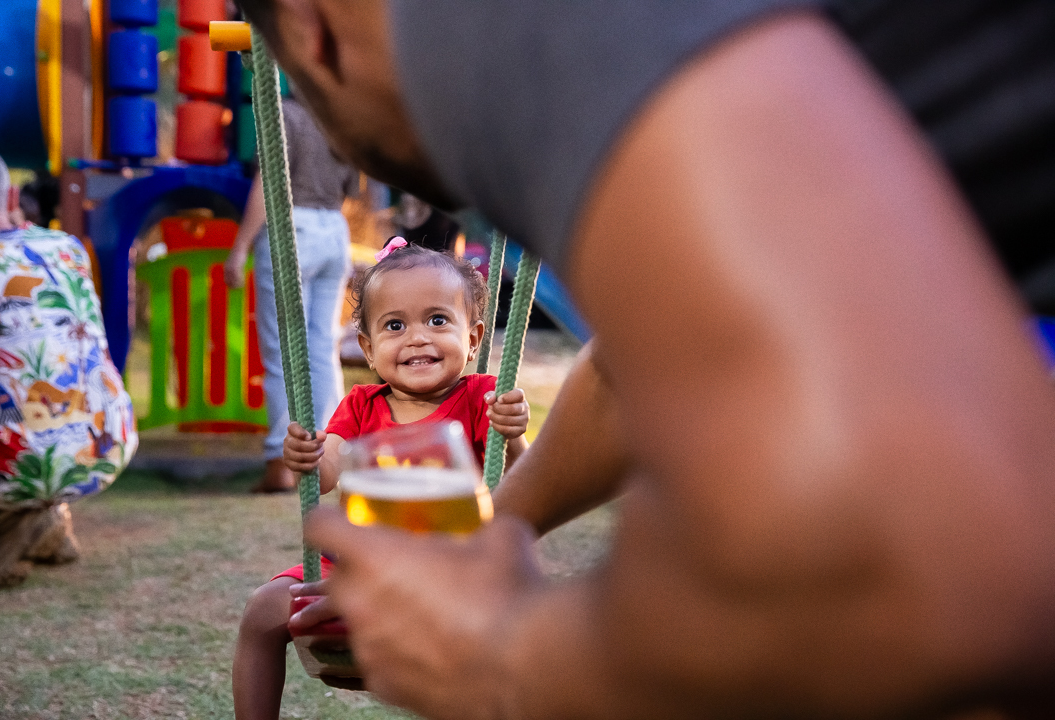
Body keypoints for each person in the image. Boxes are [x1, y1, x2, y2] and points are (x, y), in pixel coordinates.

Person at [237, 1, 1055, 718]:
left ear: (311, 31)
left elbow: (878, 561)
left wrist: (502, 663)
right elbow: (644, 363)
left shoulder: (483, 22)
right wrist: (486, 540)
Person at [232, 241, 531, 720]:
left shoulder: (484, 398)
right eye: (395, 325)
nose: (416, 338)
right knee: (263, 611)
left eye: (437, 320)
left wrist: (512, 436)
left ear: (473, 338)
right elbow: (327, 471)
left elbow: (526, 487)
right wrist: (306, 455)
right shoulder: (361, 406)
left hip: (453, 575)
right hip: (363, 570)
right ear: (368, 349)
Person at [0, 141, 137, 590]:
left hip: (19, 458)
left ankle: (15, 524)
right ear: (10, 198)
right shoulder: (66, 248)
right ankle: (48, 522)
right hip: (105, 445)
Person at [225, 95, 359, 493]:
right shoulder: (341, 116)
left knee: (284, 353)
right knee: (321, 348)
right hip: (335, 230)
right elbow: (352, 187)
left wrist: (239, 249)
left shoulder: (284, 112)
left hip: (292, 226)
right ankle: (331, 455)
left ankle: (281, 464)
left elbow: (268, 182)